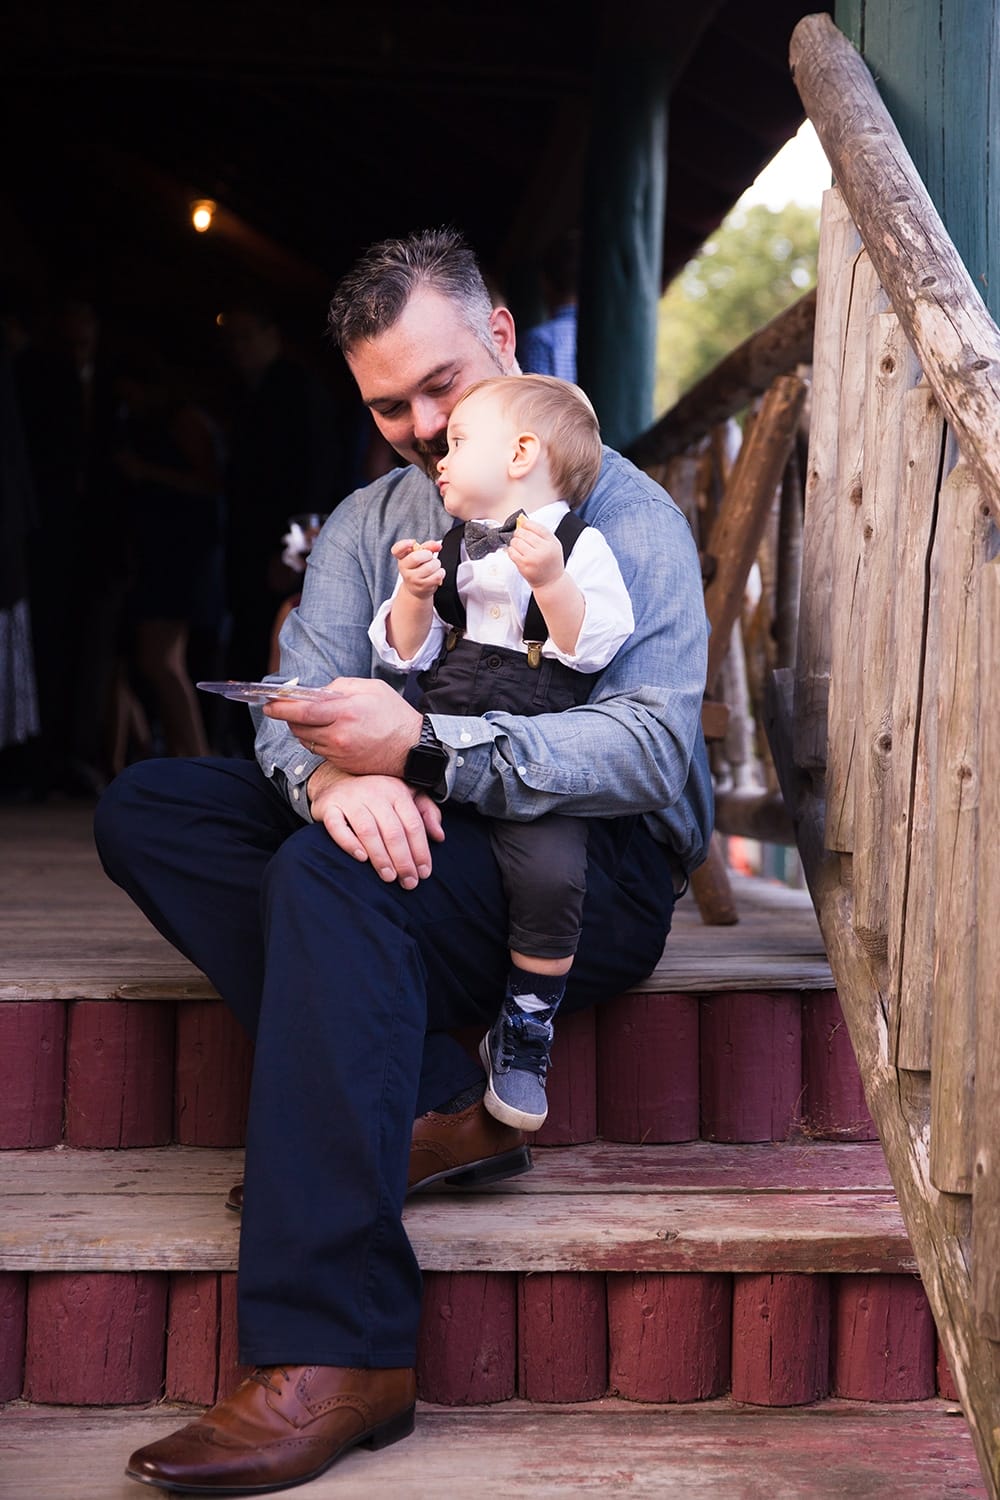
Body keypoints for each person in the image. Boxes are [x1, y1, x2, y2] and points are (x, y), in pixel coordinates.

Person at [95, 227, 712, 1495]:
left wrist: (422, 754)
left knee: (326, 881)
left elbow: (649, 749)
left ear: (499, 338)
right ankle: (434, 1090)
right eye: (391, 404)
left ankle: (339, 1349)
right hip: (408, 829)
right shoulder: (369, 520)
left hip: (587, 870)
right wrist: (328, 780)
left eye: (442, 387)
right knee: (154, 808)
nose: (425, 427)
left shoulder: (619, 511)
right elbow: (298, 690)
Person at [371, 373, 634, 1131]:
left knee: (553, 873)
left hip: (537, 734)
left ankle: (524, 1025)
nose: (439, 457)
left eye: (457, 443)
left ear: (521, 453)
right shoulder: (451, 545)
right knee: (379, 815)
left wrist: (550, 580)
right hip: (448, 713)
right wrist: (416, 597)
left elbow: (589, 650)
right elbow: (405, 658)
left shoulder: (582, 547)